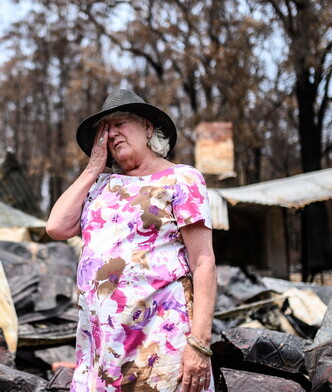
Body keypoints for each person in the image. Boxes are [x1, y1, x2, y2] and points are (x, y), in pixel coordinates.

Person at [46, 89, 217, 392]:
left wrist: (200, 343)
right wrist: (94, 166)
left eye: (120, 123)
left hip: (159, 342)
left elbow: (203, 261)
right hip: (102, 346)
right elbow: (56, 227)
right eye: (104, 130)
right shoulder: (100, 185)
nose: (111, 134)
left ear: (148, 127)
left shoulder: (182, 179)